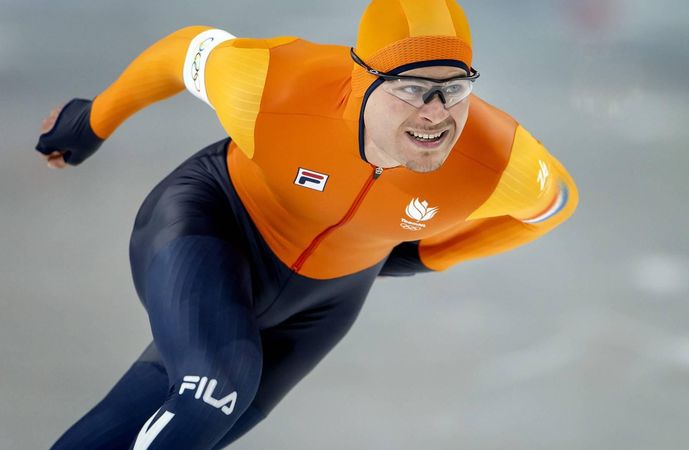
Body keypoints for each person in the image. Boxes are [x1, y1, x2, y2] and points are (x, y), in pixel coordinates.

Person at [36, 0, 579, 448]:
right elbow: (184, 52)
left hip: (326, 300)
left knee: (202, 415)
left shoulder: (498, 161)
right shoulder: (275, 86)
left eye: (454, 88)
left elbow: (554, 205)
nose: (437, 112)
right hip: (215, 225)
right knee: (215, 389)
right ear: (360, 78)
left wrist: (427, 257)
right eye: (412, 89)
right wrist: (93, 119)